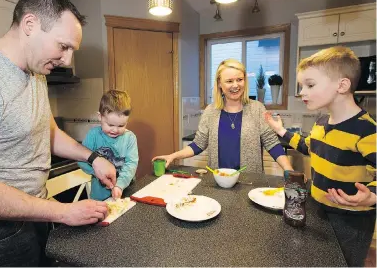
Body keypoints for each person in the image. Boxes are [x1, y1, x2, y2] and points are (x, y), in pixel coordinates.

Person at [0, 0, 117, 267]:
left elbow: (47, 132)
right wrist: (62, 212)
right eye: (63, 46)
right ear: (30, 25)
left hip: (29, 219)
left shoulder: (35, 73)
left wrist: (93, 158)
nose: (67, 60)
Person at [264, 46, 376, 267]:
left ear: (342, 85)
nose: (302, 92)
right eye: (301, 86)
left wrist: (372, 196)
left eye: (310, 85)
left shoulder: (366, 130)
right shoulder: (322, 123)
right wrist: (281, 132)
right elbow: (308, 147)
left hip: (350, 220)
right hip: (318, 208)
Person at [153, 59, 294, 173]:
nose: (235, 85)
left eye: (239, 79)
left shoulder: (257, 108)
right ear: (219, 83)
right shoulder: (210, 111)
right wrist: (173, 156)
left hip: (249, 183)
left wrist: (289, 170)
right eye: (229, 81)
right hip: (218, 181)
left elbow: (272, 144)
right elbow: (198, 144)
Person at [78, 90, 139, 201]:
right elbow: (81, 159)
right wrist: (96, 172)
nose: (115, 130)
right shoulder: (93, 135)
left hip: (126, 190)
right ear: (100, 117)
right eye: (110, 125)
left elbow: (131, 164)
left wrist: (119, 185)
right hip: (99, 196)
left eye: (121, 125)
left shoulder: (130, 138)